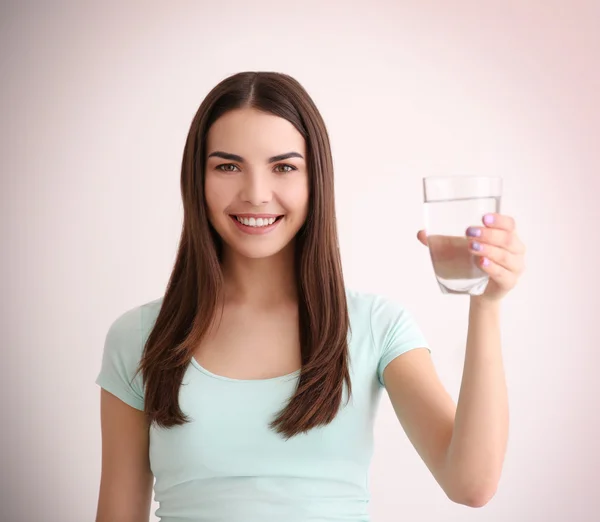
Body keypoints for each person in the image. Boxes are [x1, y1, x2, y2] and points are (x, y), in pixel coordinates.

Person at [94, 71, 526, 522]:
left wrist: (487, 303)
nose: (256, 194)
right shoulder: (139, 337)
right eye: (228, 166)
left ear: (315, 180)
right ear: (196, 180)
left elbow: (471, 484)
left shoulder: (377, 326)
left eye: (283, 167)